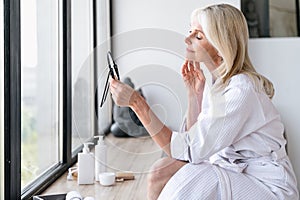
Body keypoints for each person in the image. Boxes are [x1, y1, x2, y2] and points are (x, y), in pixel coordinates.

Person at [109, 3, 299, 200]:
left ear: (220, 45)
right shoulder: (217, 84)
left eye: (198, 36)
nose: (187, 39)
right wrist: (194, 95)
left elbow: (188, 150)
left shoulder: (241, 90)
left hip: (267, 186)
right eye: (190, 31)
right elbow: (192, 143)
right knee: (161, 171)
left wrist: (137, 103)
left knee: (197, 175)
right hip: (235, 171)